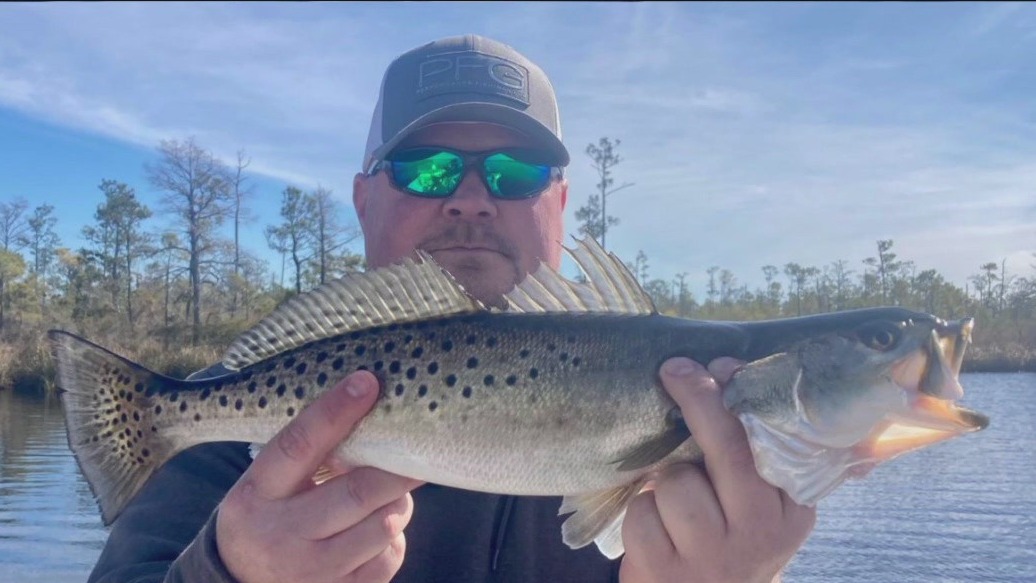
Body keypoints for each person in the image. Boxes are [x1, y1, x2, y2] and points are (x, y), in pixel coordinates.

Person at [87, 35, 815, 583]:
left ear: (559, 205)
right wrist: (225, 572)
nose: (471, 197)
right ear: (364, 198)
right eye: (426, 169)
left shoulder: (723, 476)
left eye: (515, 171)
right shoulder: (220, 425)